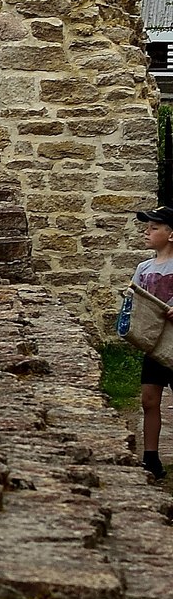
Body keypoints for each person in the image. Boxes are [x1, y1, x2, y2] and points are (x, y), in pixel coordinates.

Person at [123, 205, 173, 480]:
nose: (147, 231)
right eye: (148, 226)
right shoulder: (143, 268)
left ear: (171, 234)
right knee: (149, 399)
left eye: (154, 227)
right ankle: (151, 457)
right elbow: (135, 298)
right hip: (153, 345)